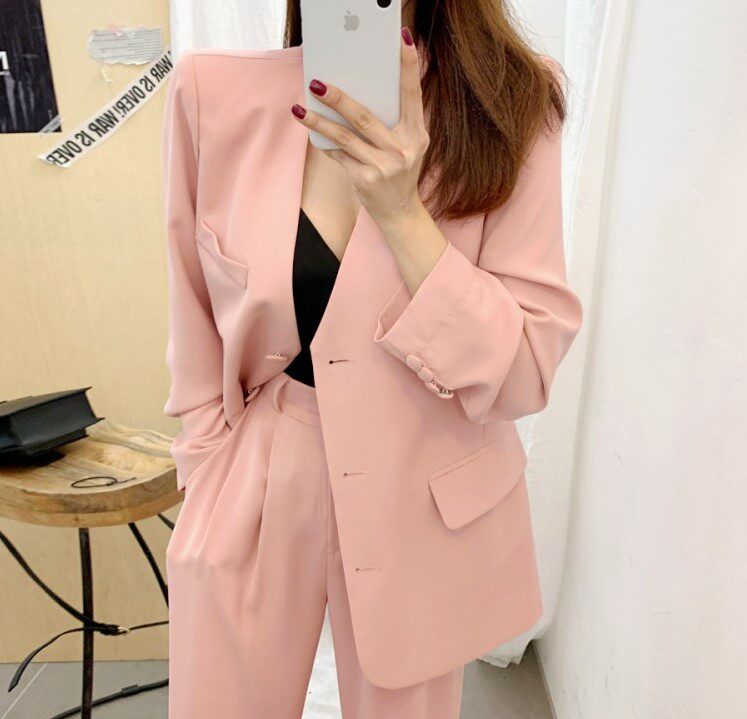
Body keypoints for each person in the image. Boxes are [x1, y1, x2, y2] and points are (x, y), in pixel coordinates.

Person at [161, 1, 583, 717]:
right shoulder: (212, 93)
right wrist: (206, 472)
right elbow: (191, 306)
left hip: (426, 476)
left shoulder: (510, 102)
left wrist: (399, 210)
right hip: (259, 467)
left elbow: (523, 372)